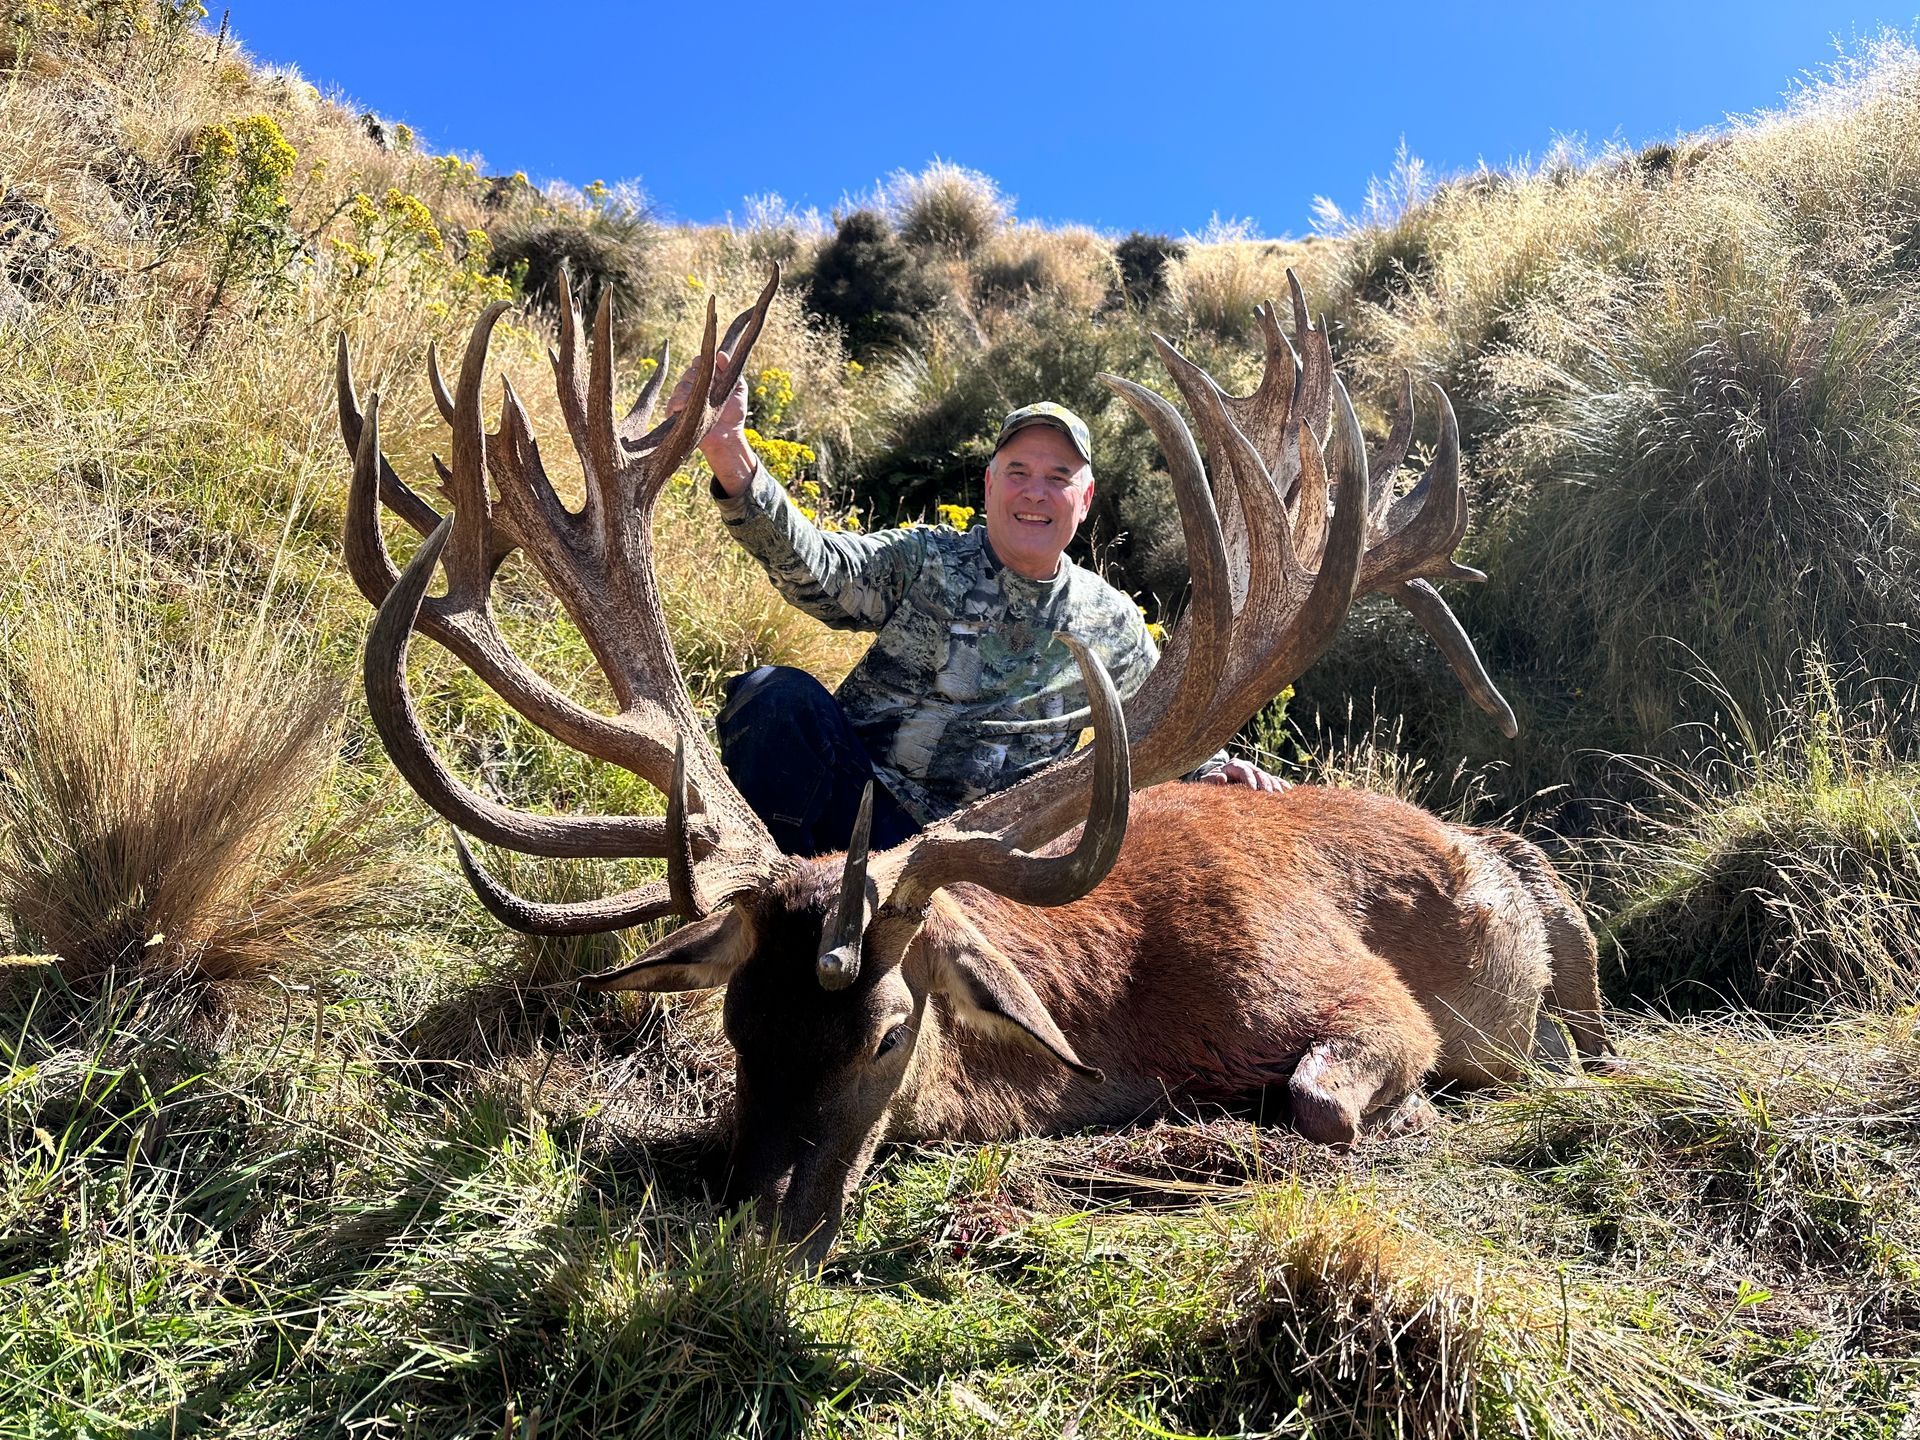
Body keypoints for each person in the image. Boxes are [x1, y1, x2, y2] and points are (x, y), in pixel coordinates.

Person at [668, 353, 1286, 857]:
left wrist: (1214, 770)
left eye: (1058, 477)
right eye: (1017, 471)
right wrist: (730, 452)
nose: (1034, 493)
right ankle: (774, 908)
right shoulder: (927, 559)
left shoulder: (1112, 624)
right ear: (989, 484)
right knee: (776, 696)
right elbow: (825, 573)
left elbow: (1161, 722)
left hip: (989, 865)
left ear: (1086, 497)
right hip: (858, 812)